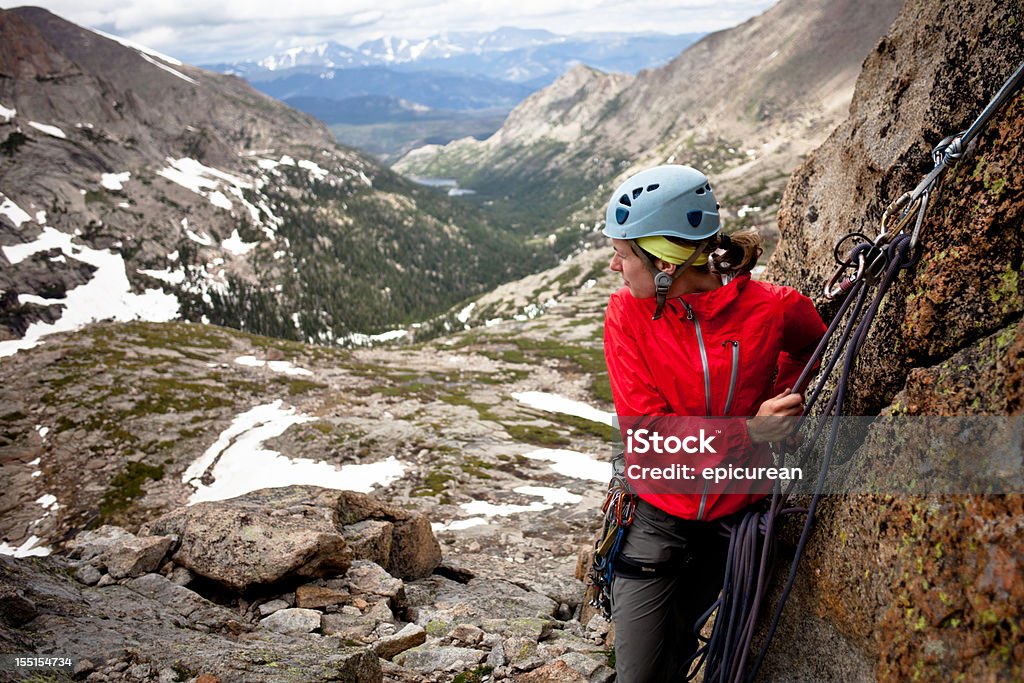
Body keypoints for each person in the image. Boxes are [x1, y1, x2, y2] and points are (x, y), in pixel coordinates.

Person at [600, 164, 827, 681]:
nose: (616, 268)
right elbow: (648, 434)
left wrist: (782, 400)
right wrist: (750, 431)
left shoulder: (769, 308)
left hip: (733, 516)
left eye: (623, 253)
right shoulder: (626, 315)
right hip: (657, 512)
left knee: (680, 651)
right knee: (638, 672)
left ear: (664, 263)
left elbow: (812, 346)